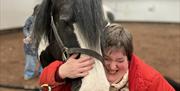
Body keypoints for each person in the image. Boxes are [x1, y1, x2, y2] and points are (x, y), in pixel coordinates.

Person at [39, 23, 175, 91]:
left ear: (129, 58)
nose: (112, 66)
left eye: (120, 60)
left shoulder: (151, 80)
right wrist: (59, 73)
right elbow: (44, 87)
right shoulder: (85, 70)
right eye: (107, 59)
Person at [23, 4, 42, 80]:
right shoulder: (30, 19)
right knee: (30, 61)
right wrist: (27, 36)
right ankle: (28, 74)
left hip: (41, 45)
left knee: (42, 60)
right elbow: (25, 28)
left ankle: (41, 73)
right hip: (30, 46)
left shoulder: (44, 21)